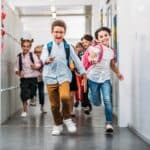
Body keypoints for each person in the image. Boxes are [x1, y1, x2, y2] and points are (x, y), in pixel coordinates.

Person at [41, 19, 86, 135]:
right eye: (56, 32)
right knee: (54, 105)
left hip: (64, 76)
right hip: (50, 77)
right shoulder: (48, 46)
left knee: (66, 97)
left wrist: (83, 72)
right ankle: (57, 124)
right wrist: (47, 60)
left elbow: (76, 60)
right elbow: (43, 57)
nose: (58, 34)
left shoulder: (68, 47)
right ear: (52, 32)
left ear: (64, 33)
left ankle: (67, 118)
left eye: (61, 32)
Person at [82, 27, 124, 132]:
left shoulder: (111, 51)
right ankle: (91, 96)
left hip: (105, 79)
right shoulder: (95, 48)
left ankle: (109, 123)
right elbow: (91, 56)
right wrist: (92, 59)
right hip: (93, 78)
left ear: (109, 35)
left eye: (106, 35)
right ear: (97, 39)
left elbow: (112, 64)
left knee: (107, 100)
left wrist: (118, 73)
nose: (104, 37)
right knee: (96, 102)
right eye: (101, 36)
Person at [14, 32, 41, 117]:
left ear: (30, 47)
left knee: (32, 91)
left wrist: (35, 66)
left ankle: (33, 96)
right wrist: (18, 72)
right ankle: (25, 110)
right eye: (24, 46)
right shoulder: (19, 56)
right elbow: (16, 67)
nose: (26, 48)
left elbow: (38, 64)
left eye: (27, 46)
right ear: (21, 46)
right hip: (24, 78)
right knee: (23, 94)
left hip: (33, 78)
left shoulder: (33, 55)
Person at [81, 34, 93, 114]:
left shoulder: (91, 50)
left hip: (89, 74)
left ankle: (87, 105)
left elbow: (90, 62)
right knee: (85, 91)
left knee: (86, 91)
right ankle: (87, 105)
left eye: (86, 42)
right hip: (85, 74)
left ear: (91, 42)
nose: (84, 43)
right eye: (83, 42)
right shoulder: (86, 51)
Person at [34, 45, 47, 113]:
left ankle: (42, 106)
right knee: (33, 89)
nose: (38, 53)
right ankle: (33, 99)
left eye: (39, 52)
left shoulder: (43, 60)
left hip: (40, 78)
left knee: (41, 92)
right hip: (33, 77)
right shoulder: (32, 59)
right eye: (36, 52)